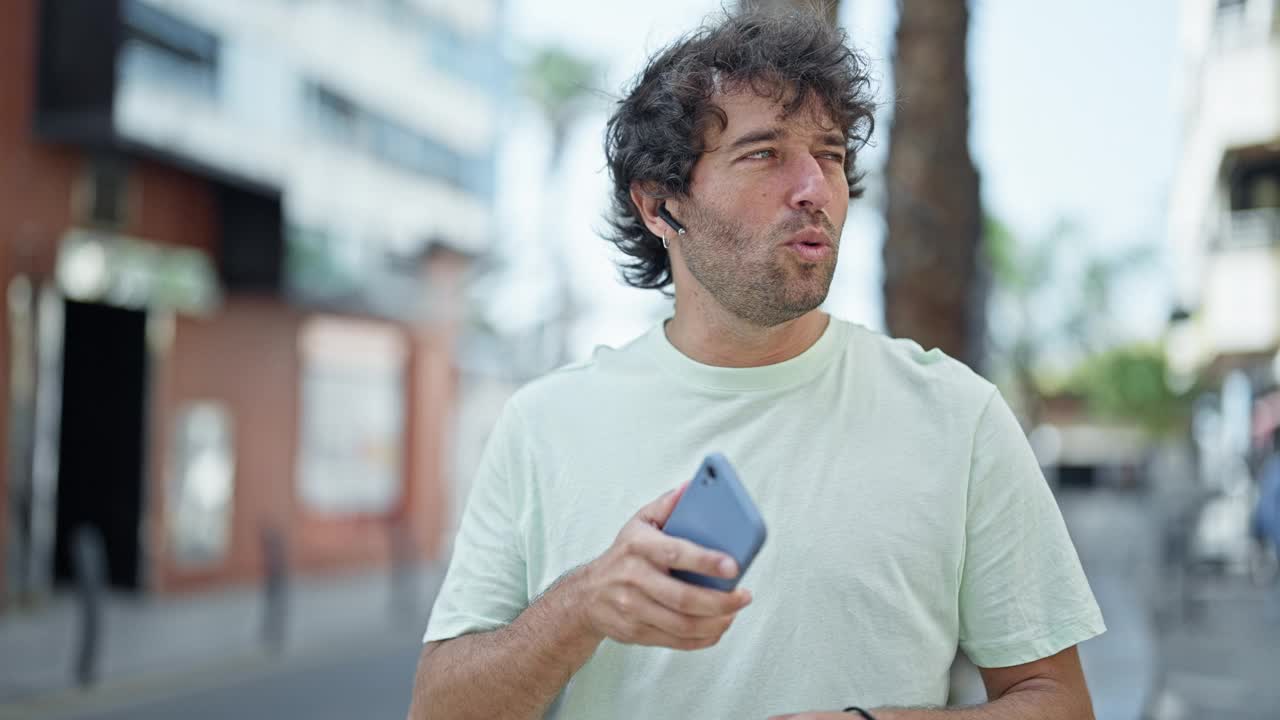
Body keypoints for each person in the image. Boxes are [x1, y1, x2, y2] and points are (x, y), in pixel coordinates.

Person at [408, 9, 1104, 720]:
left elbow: (1059, 704)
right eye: (764, 153)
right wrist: (583, 606)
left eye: (830, 154)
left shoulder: (960, 416)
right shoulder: (544, 424)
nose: (814, 188)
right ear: (659, 205)